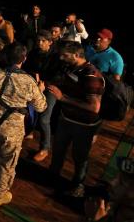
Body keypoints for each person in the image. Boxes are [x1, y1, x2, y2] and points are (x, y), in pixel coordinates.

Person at [0, 43, 46, 206]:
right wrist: (40, 89)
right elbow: (41, 106)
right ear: (24, 59)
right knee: (7, 162)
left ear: (6, 57)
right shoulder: (28, 82)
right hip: (12, 130)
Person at [48, 42, 105, 197]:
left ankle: (78, 185)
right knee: (58, 151)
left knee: (80, 157)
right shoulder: (71, 68)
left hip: (84, 126)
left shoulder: (91, 75)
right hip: (66, 119)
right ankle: (52, 177)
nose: (61, 58)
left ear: (76, 55)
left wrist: (63, 98)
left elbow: (94, 107)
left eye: (65, 55)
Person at [22, 29, 61, 162]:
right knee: (29, 111)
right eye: (38, 40)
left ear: (50, 42)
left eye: (43, 41)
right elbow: (26, 67)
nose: (39, 43)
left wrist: (43, 81)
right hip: (34, 86)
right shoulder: (34, 52)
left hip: (50, 88)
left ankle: (45, 148)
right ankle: (29, 131)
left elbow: (58, 76)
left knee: (44, 117)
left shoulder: (57, 56)